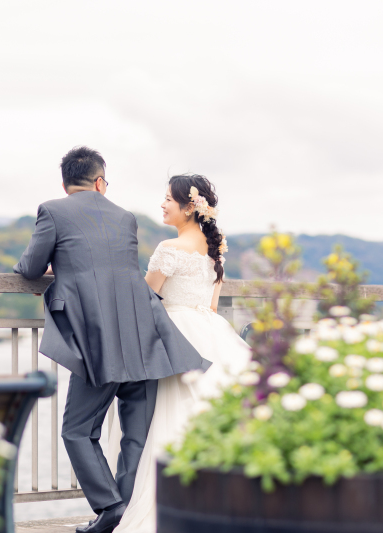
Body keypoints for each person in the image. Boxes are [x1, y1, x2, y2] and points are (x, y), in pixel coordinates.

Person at [14, 147, 211, 533]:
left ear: (66, 182)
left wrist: (53, 264)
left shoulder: (52, 210)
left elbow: (30, 268)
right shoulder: (125, 217)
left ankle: (109, 508)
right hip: (145, 336)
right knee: (135, 436)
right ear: (101, 181)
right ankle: (124, 514)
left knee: (77, 430)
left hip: (96, 340)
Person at [110, 174, 252, 533]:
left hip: (174, 335)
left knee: (169, 419)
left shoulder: (169, 248)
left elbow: (144, 301)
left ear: (189, 207)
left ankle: (168, 504)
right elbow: (213, 305)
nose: (162, 204)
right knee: (205, 413)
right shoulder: (215, 248)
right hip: (211, 332)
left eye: (168, 199)